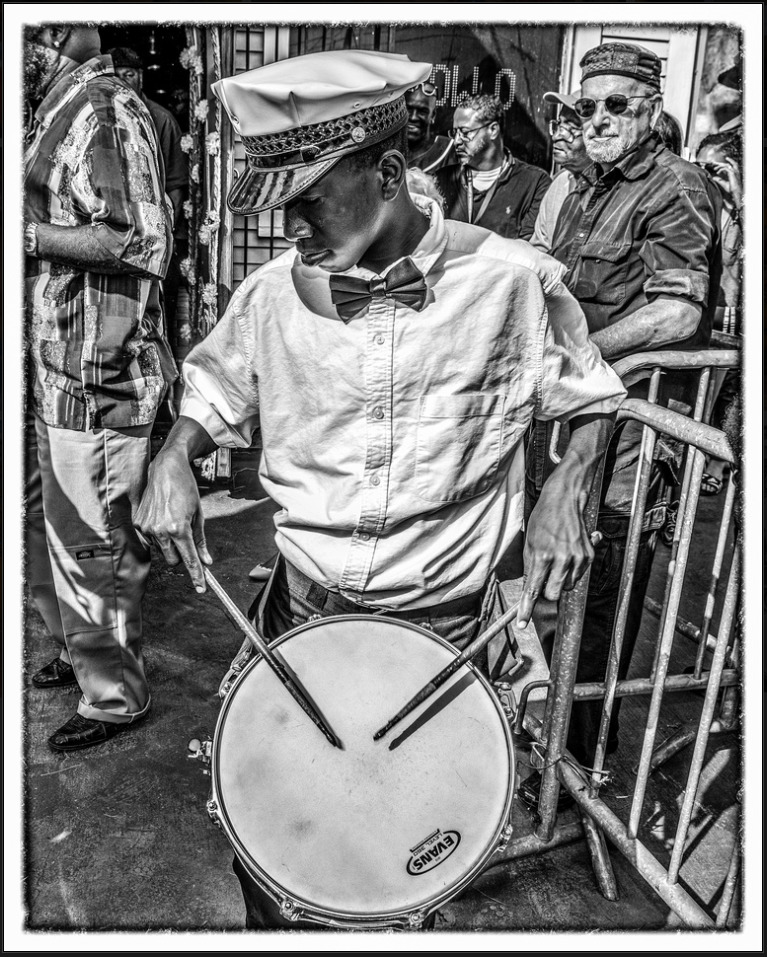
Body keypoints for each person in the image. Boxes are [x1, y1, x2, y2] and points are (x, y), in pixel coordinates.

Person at [134, 49, 626, 929]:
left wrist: (565, 491)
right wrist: (174, 454)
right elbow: (214, 388)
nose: (290, 228)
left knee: (395, 876)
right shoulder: (270, 296)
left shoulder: (511, 282)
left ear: (391, 172)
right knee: (280, 852)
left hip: (440, 630)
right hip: (299, 614)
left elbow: (587, 393)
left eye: (307, 201)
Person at [522, 41, 721, 795]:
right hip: (580, 418)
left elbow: (676, 309)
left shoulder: (675, 184)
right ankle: (549, 747)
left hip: (634, 431)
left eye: (615, 105)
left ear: (649, 110)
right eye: (585, 105)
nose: (595, 119)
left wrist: (586, 357)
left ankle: (580, 769)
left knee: (602, 594)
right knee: (558, 585)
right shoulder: (578, 187)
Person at [24, 24, 176, 752]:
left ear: (50, 36)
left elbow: (136, 240)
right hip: (60, 370)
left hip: (99, 376)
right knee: (59, 536)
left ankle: (115, 696)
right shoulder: (57, 108)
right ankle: (78, 654)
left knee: (99, 550)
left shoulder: (103, 112)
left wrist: (25, 237)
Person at [694, 129, 743, 496]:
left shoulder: (744, 209)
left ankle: (717, 465)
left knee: (732, 405)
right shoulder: (700, 205)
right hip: (709, 325)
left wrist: (740, 196)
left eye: (716, 168)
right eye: (701, 167)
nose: (708, 176)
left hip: (740, 329)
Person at [434, 94, 550, 240]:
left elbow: (529, 249)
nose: (456, 141)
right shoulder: (442, 180)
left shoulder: (534, 183)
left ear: (493, 130)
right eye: (454, 133)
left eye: (465, 132)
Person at [530, 89, 590, 252]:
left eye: (571, 128)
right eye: (558, 126)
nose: (557, 136)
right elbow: (540, 248)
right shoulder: (560, 183)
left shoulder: (615, 188)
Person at [404, 80, 454, 173]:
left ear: (433, 115)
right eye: (409, 109)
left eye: (422, 111)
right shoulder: (388, 151)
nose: (413, 117)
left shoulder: (449, 151)